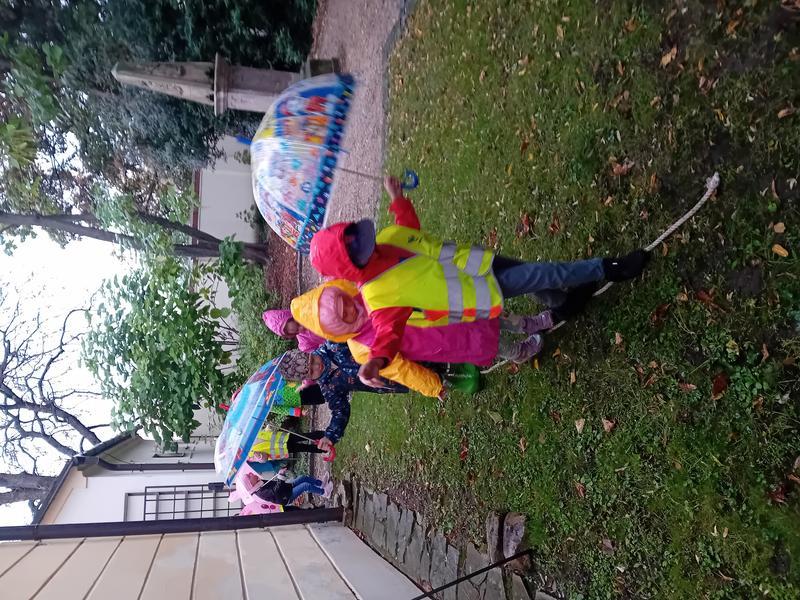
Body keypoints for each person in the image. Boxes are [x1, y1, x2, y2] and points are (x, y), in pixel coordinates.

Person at [308, 175, 647, 387]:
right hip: (481, 290)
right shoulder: (379, 297)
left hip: (480, 262)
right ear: (350, 270)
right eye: (358, 252)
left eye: (360, 240)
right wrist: (377, 361)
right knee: (545, 272)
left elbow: (408, 228)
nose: (368, 247)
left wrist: (397, 198)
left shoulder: (386, 238)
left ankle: (565, 304)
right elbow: (388, 333)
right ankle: (611, 268)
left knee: (534, 274)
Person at [288, 279, 561, 397]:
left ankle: (529, 323)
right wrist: (432, 386)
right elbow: (402, 370)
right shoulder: (362, 349)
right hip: (446, 342)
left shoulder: (371, 292)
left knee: (493, 316)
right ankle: (519, 352)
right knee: (491, 343)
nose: (352, 310)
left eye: (346, 302)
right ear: (336, 331)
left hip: (447, 310)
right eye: (344, 317)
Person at [277, 345, 408, 456]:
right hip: (392, 380)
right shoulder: (328, 387)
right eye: (311, 371)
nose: (317, 366)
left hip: (396, 351)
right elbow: (340, 410)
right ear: (307, 378)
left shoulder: (332, 345)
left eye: (312, 360)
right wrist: (330, 436)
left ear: (308, 353)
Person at [248, 428, 330, 462]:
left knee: (306, 436)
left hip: (285, 437)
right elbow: (265, 459)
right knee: (305, 448)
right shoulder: (250, 454)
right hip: (284, 449)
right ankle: (325, 449)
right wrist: (260, 457)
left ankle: (326, 435)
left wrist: (267, 429)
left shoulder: (251, 434)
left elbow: (266, 434)